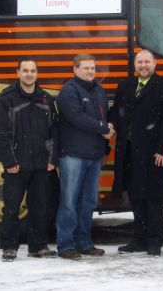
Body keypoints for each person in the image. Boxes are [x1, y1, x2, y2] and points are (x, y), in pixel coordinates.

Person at [109, 49, 163, 257]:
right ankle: (139, 239)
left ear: (154, 64)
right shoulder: (125, 86)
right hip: (129, 153)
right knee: (136, 197)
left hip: (154, 153)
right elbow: (116, 109)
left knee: (154, 199)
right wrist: (112, 121)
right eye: (140, 62)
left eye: (147, 62)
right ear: (135, 65)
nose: (143, 66)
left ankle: (155, 241)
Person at [0, 58, 58, 262]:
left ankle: (37, 247)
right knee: (12, 207)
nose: (29, 74)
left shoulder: (46, 99)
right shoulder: (7, 99)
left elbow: (53, 133)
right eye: (25, 71)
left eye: (33, 71)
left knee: (40, 207)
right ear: (18, 73)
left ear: (37, 73)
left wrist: (52, 159)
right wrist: (9, 162)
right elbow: (1, 134)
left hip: (41, 164)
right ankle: (9, 247)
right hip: (17, 165)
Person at [56, 53, 114, 260]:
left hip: (94, 155)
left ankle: (84, 242)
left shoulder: (99, 91)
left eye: (93, 68)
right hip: (73, 155)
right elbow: (77, 118)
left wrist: (104, 147)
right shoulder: (68, 91)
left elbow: (103, 119)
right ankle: (65, 244)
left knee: (89, 201)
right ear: (75, 69)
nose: (90, 71)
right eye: (86, 67)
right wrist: (102, 128)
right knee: (69, 202)